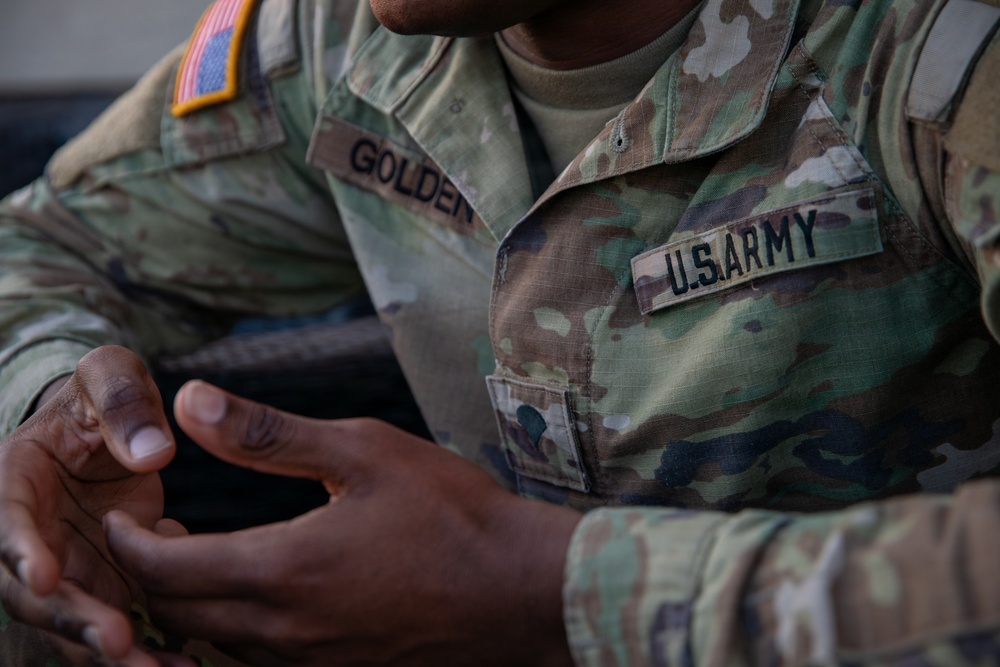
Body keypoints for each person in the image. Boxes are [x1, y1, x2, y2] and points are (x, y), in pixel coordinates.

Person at [1, 0, 1000, 664]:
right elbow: (38, 244)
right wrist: (52, 402)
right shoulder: (337, 35)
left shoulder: (940, 55)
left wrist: (561, 593)